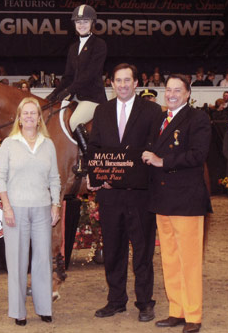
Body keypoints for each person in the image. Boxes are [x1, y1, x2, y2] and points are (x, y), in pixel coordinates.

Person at [88, 63, 160, 322]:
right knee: (114, 249)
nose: (122, 84)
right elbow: (95, 148)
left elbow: (155, 147)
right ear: (112, 84)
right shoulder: (102, 111)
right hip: (110, 194)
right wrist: (97, 175)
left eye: (127, 80)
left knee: (143, 251)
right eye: (118, 80)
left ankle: (145, 302)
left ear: (136, 83)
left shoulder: (152, 111)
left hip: (141, 193)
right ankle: (116, 300)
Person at [141, 74, 211, 333]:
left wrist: (162, 161)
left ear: (187, 93)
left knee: (189, 260)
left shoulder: (198, 118)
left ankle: (193, 315)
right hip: (163, 200)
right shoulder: (160, 118)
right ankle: (176, 310)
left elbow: (197, 155)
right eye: (168, 90)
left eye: (177, 90)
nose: (171, 94)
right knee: (169, 258)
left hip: (186, 200)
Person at [0, 97, 61, 326]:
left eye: (34, 113)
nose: (30, 117)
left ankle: (44, 308)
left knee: (43, 260)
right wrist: (7, 207)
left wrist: (55, 204)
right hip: (16, 210)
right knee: (17, 262)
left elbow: (54, 178)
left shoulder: (48, 144)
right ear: (19, 118)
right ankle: (19, 311)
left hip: (42, 208)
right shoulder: (9, 144)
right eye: (26, 113)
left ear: (39, 118)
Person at [46, 4, 107, 153]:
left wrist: (68, 90)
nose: (82, 25)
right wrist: (53, 95)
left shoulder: (99, 45)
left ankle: (88, 159)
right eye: (78, 22)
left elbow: (89, 75)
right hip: (76, 97)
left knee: (74, 122)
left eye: (85, 21)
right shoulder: (73, 48)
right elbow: (68, 76)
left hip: (92, 98)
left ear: (92, 23)